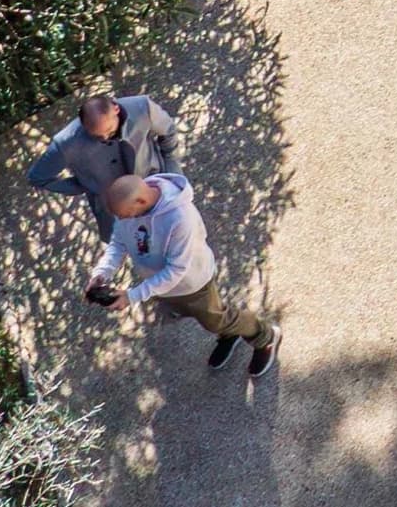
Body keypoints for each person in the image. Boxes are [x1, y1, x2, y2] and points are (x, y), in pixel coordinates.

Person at [89, 172, 279, 378]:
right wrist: (103, 272)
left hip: (193, 285)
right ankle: (230, 335)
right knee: (199, 316)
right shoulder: (127, 209)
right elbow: (118, 242)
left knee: (215, 319)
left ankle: (264, 336)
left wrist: (132, 296)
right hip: (160, 286)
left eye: (127, 215)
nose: (124, 219)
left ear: (141, 201)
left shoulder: (180, 219)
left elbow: (176, 270)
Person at [22, 91, 177, 227]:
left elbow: (168, 130)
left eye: (109, 131)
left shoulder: (142, 108)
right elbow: (38, 178)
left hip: (155, 188)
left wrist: (170, 162)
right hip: (116, 215)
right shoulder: (66, 143)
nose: (104, 138)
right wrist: (87, 185)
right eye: (96, 136)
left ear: (116, 109)